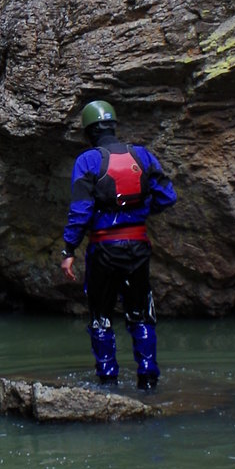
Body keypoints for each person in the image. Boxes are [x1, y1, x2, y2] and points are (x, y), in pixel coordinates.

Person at [59, 99, 176, 389]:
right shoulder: (143, 156)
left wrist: (69, 250)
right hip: (138, 247)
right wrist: (140, 211)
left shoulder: (87, 161)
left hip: (103, 249)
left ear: (89, 131)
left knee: (101, 315)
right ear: (113, 126)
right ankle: (148, 378)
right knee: (141, 313)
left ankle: (108, 381)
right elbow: (167, 196)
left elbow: (81, 211)